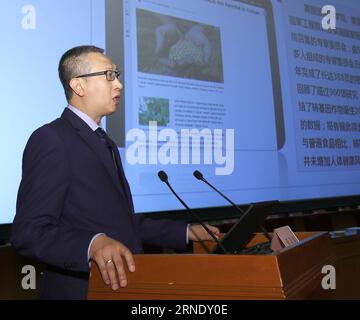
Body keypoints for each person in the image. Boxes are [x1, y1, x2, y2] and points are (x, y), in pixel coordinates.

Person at [11, 45, 220, 300]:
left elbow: (121, 223)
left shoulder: (104, 142)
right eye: (109, 75)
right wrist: (91, 244)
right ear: (79, 86)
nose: (119, 84)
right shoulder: (52, 138)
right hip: (82, 291)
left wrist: (184, 232)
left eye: (117, 75)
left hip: (124, 288)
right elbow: (29, 232)